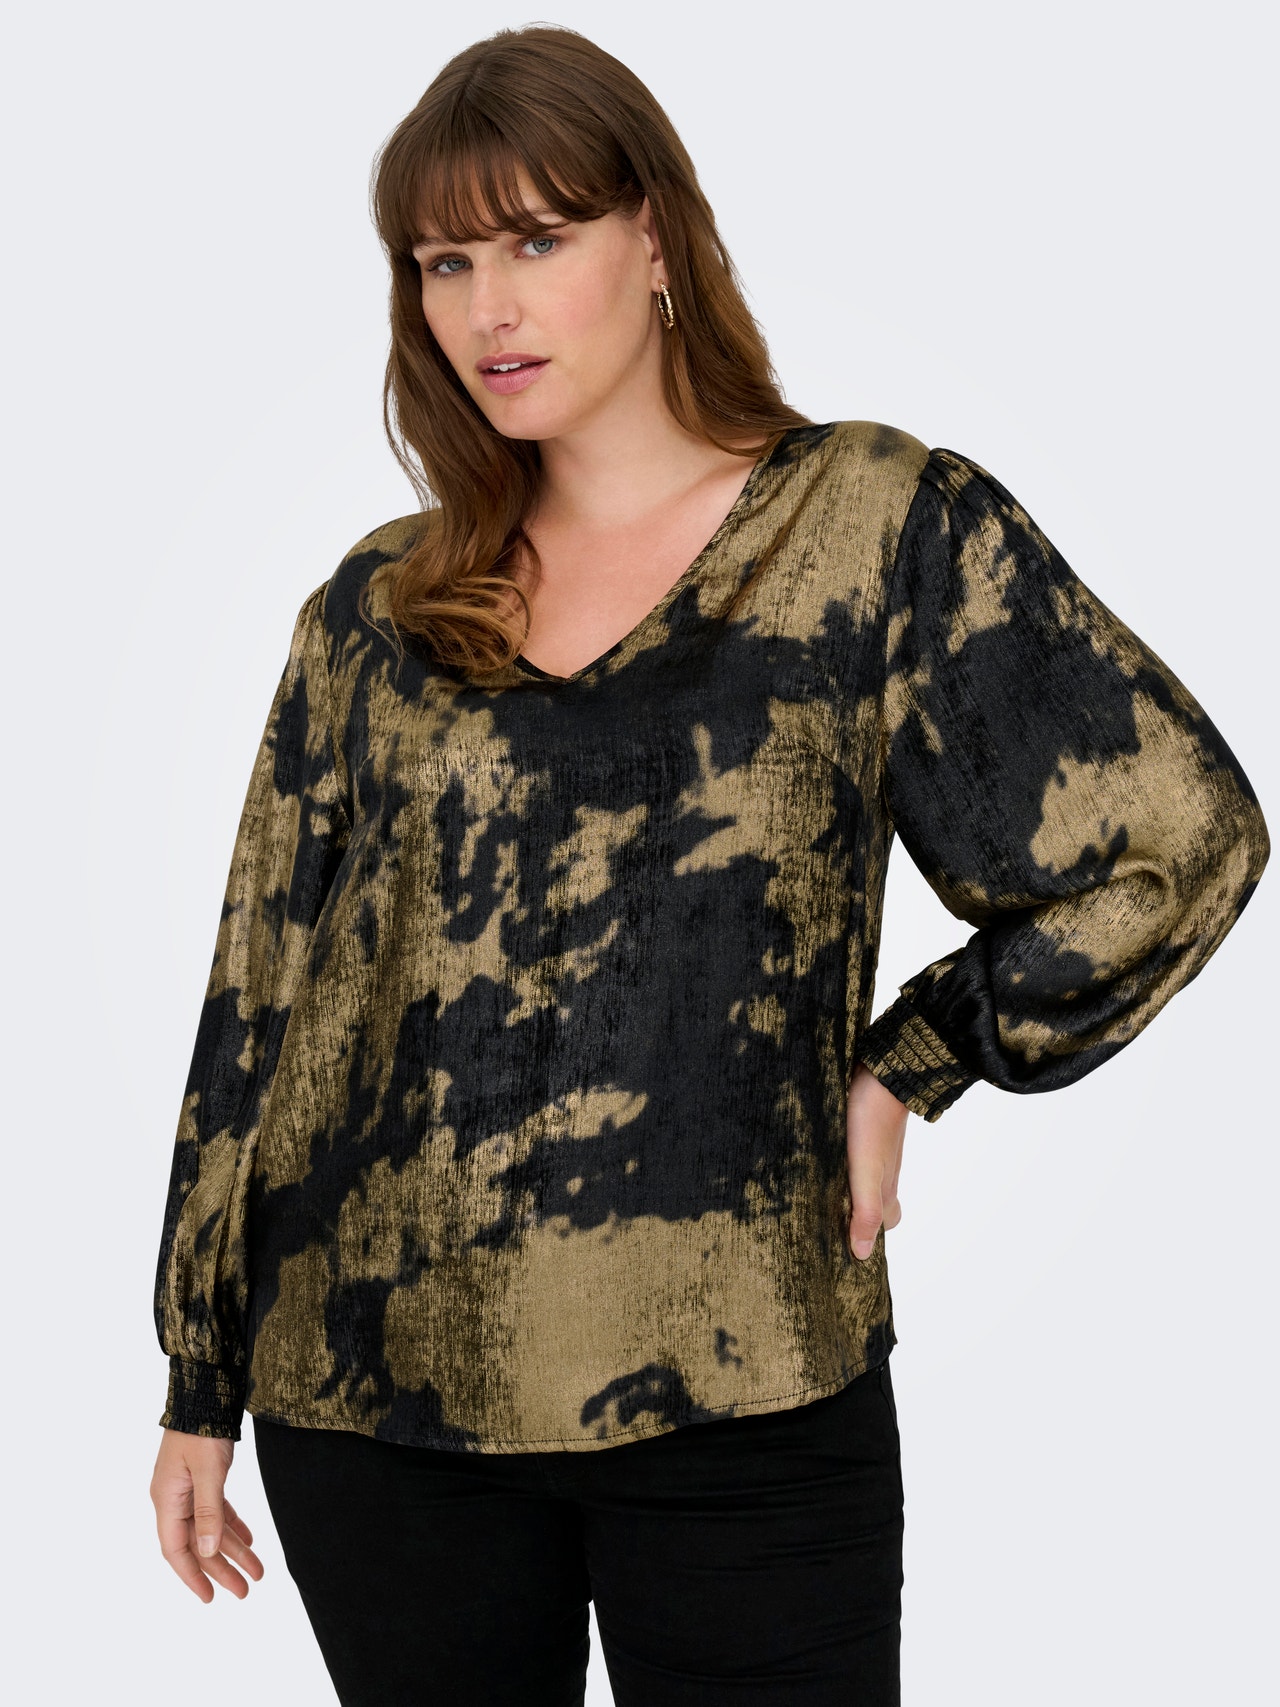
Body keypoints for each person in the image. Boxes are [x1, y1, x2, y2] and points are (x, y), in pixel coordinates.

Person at [147, 23, 1270, 1707]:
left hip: (748, 1387)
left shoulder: (870, 527)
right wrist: (198, 1377)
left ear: (656, 238)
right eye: (444, 262)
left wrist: (916, 1062)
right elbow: (265, 996)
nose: (489, 308)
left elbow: (1176, 838)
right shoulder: (378, 607)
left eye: (538, 241)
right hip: (376, 1411)